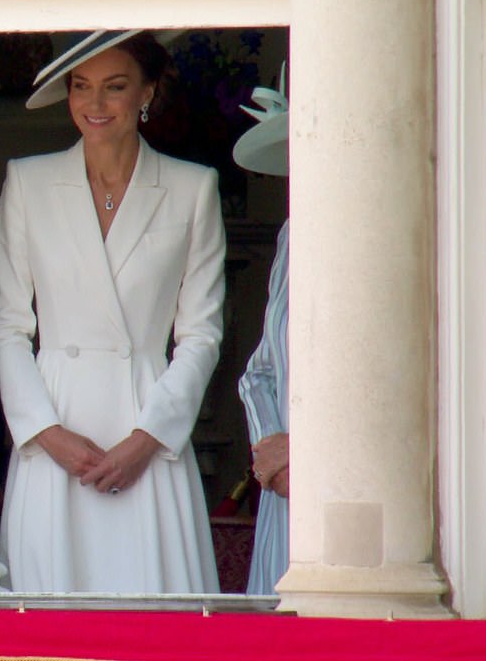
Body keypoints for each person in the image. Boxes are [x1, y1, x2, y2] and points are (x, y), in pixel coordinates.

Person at [0, 30, 224, 594]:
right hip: (56, 428)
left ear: (146, 92)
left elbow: (200, 334)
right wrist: (47, 433)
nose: (94, 105)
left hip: (146, 426)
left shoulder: (193, 188)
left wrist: (146, 440)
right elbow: (8, 327)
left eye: (114, 87)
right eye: (81, 87)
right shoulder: (29, 181)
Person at [232, 69, 290, 595]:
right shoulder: (294, 236)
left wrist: (307, 454)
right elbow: (259, 372)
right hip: (287, 492)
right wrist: (273, 447)